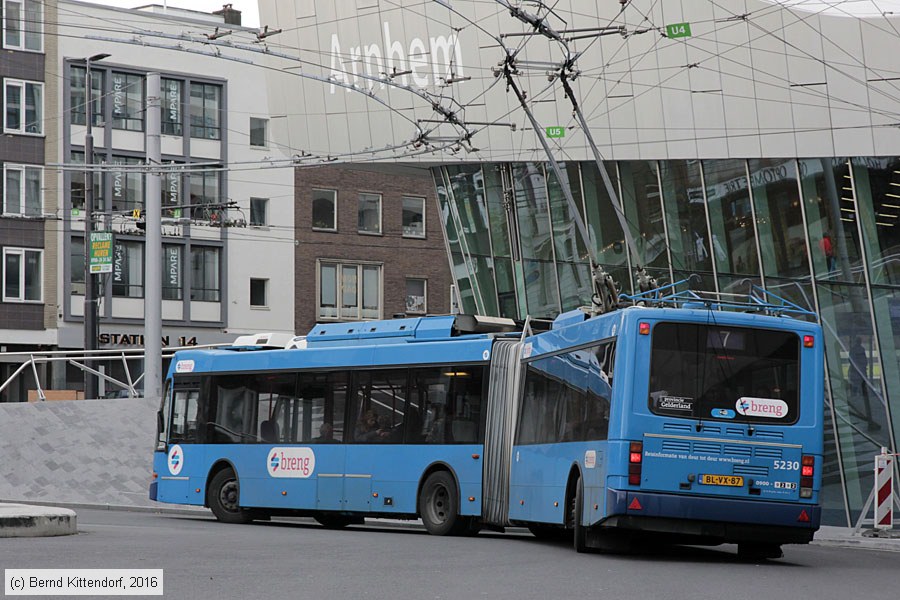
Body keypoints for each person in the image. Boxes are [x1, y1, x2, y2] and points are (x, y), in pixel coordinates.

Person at [849, 337, 880, 431]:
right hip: (858, 372)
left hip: (859, 372)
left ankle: (857, 395)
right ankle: (856, 395)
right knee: (857, 386)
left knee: (859, 386)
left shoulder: (858, 349)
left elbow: (861, 361)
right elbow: (855, 360)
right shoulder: (857, 350)